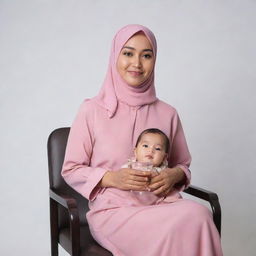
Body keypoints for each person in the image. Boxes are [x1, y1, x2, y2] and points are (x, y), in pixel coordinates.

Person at [62, 24, 223, 256]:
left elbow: (182, 165)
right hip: (115, 212)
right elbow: (71, 169)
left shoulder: (168, 113)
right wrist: (112, 178)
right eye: (128, 53)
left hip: (162, 204)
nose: (136, 63)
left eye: (146, 55)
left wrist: (175, 175)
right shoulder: (92, 110)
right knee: (174, 227)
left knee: (199, 214)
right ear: (115, 56)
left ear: (154, 60)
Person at [122, 128, 182, 205]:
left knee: (174, 198)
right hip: (131, 200)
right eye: (145, 145)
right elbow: (122, 178)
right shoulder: (130, 166)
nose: (151, 151)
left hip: (157, 202)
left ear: (164, 157)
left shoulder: (164, 172)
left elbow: (169, 190)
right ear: (135, 152)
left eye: (157, 148)